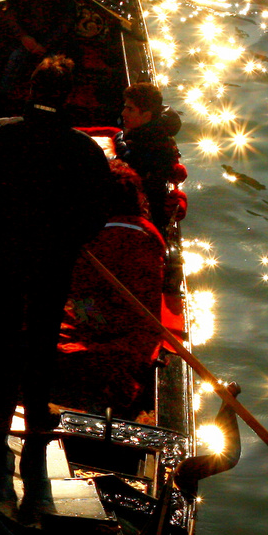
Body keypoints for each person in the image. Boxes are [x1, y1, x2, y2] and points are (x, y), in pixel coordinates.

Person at [0, 55, 112, 522]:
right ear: (67, 97)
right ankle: (36, 472)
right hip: (52, 266)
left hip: (6, 257)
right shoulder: (85, 151)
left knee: (4, 349)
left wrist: (3, 212)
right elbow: (97, 214)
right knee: (41, 355)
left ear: (30, 90)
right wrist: (67, 237)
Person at [54, 161, 166, 417]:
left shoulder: (93, 236)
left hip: (102, 321)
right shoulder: (150, 233)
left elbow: (80, 290)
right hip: (141, 324)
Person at [116, 82, 185, 236]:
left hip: (142, 213)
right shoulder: (153, 132)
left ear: (146, 115)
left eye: (130, 109)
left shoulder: (147, 148)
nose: (123, 113)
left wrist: (119, 138)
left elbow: (127, 157)